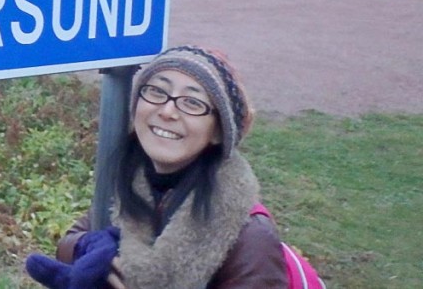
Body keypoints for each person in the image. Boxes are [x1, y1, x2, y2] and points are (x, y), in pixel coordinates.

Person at [25, 45, 289, 288]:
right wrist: (90, 249)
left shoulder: (251, 237)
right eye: (157, 91)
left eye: (192, 102)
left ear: (218, 132)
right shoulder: (130, 186)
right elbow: (73, 238)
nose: (167, 111)